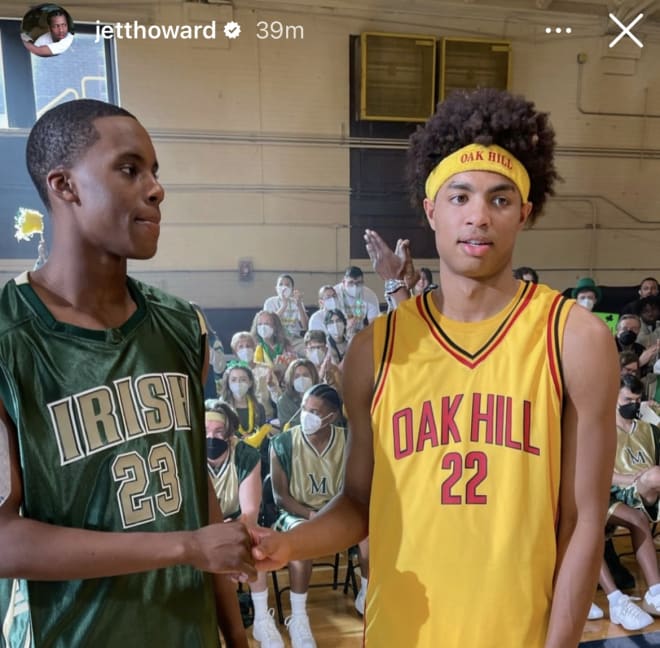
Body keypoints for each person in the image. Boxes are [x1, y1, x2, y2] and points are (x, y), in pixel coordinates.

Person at [252, 88, 619, 647]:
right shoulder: (374, 349)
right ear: (430, 210)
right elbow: (358, 504)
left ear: (525, 211)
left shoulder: (575, 338)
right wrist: (288, 544)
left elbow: (583, 521)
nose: (478, 216)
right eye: (460, 196)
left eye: (500, 199)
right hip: (401, 633)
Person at [0, 99, 253, 647]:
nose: (156, 189)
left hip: (186, 632)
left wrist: (235, 633)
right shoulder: (7, 339)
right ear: (64, 186)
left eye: (155, 173)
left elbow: (194, 485)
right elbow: (3, 542)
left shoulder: (183, 325)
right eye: (129, 169)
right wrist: (185, 547)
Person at [269, 384, 347, 648]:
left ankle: (368, 597)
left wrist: (329, 515)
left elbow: (355, 488)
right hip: (296, 511)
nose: (306, 415)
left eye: (314, 411)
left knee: (372, 530)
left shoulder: (348, 440)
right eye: (304, 408)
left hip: (336, 511)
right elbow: (281, 498)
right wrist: (313, 515)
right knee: (301, 538)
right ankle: (299, 618)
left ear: (332, 417)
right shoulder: (282, 442)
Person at [205, 402, 284, 648]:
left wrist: (235, 529)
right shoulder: (186, 455)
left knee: (253, 543)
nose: (211, 437)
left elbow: (250, 510)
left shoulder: (246, 455)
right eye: (205, 431)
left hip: (237, 520)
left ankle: (261, 617)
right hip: (202, 527)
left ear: (229, 435)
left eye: (219, 432)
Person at [263, 274, 308, 352]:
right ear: (276, 288)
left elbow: (305, 326)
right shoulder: (270, 302)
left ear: (292, 289)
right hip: (276, 339)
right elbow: (269, 322)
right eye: (280, 284)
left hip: (295, 339)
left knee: (309, 351)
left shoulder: (297, 301)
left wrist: (299, 305)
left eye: (287, 285)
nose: (284, 287)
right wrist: (284, 305)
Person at [333, 266, 380, 334]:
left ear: (363, 282)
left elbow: (374, 325)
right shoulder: (334, 294)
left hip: (359, 332)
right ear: (343, 282)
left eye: (358, 283)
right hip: (337, 333)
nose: (355, 286)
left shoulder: (370, 296)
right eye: (351, 282)